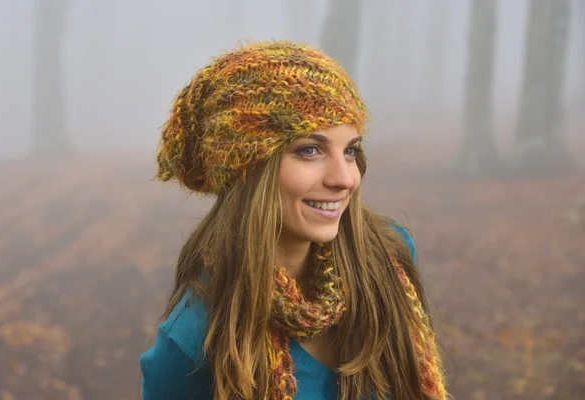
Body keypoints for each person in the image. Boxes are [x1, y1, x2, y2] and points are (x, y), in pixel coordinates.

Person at [139, 40, 448, 400]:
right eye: (310, 150)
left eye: (350, 150)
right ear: (247, 169)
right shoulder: (193, 340)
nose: (345, 179)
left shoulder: (388, 259)